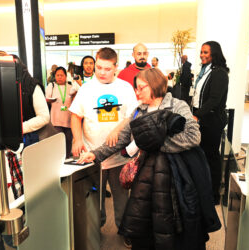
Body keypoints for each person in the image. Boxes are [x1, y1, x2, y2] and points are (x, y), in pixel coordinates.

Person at [78, 68, 202, 249]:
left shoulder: (177, 106)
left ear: (155, 86)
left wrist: (153, 145)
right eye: (136, 88)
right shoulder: (138, 111)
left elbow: (193, 137)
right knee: (145, 218)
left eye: (141, 88)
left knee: (170, 219)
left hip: (173, 177)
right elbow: (121, 139)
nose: (136, 92)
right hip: (145, 175)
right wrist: (95, 154)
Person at [69, 47, 138, 236]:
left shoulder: (124, 88)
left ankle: (125, 232)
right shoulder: (87, 87)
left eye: (107, 69)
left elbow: (133, 116)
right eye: (98, 67)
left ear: (116, 67)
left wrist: (117, 129)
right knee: (93, 198)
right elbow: (75, 116)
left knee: (122, 199)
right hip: (92, 154)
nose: (101, 72)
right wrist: (76, 139)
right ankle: (95, 231)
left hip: (119, 156)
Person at [192, 41, 229, 204]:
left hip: (211, 120)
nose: (202, 55)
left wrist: (197, 116)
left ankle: (214, 194)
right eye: (201, 52)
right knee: (201, 156)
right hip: (201, 117)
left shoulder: (219, 73)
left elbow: (214, 100)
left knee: (211, 156)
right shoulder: (204, 71)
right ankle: (202, 189)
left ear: (214, 54)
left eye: (206, 52)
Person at [0, 51, 50, 148]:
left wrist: (18, 129)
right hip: (3, 139)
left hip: (29, 139)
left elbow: (44, 117)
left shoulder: (31, 85)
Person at [45, 67, 78, 157]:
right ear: (55, 76)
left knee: (68, 139)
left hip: (68, 118)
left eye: (61, 75)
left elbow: (75, 98)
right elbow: (47, 98)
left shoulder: (70, 86)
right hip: (56, 118)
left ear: (65, 76)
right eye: (57, 75)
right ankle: (58, 157)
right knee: (58, 139)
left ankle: (67, 156)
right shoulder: (51, 85)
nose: (59, 77)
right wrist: (50, 100)